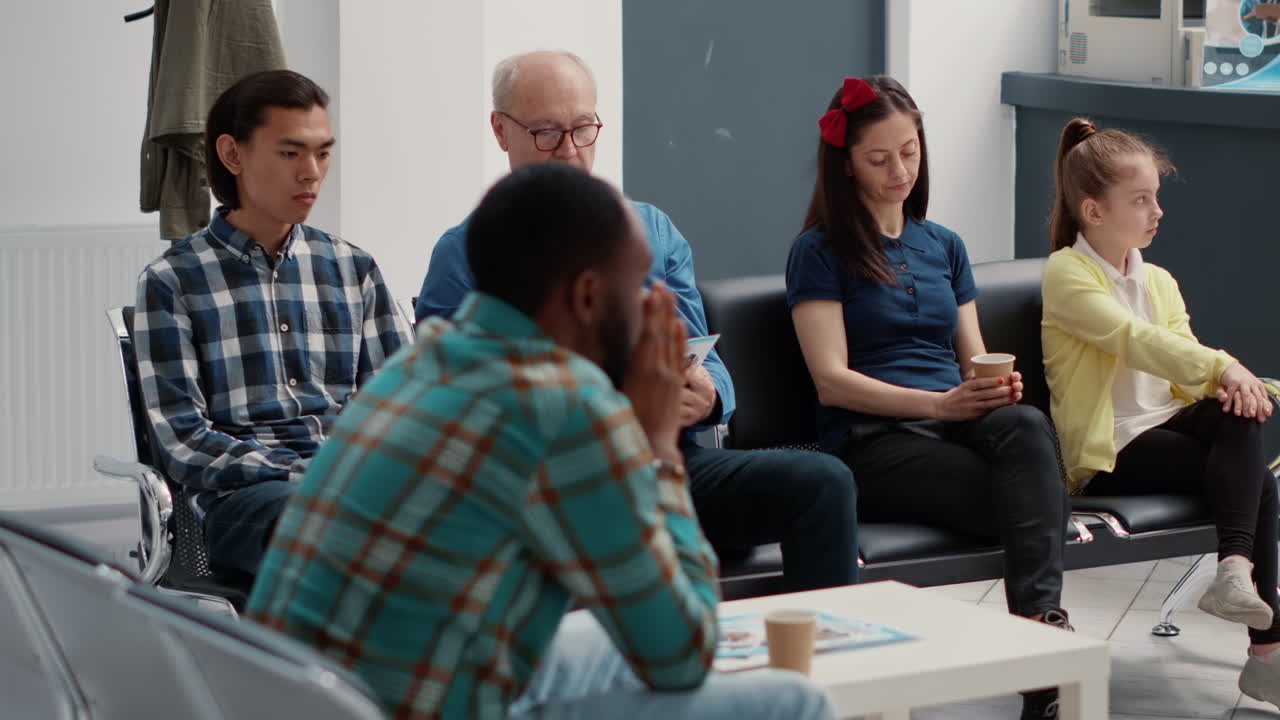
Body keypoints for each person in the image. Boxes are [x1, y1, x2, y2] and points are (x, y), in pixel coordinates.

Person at [248, 164, 836, 720]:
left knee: (606, 651)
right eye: (638, 285)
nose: (656, 310)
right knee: (793, 701)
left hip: (305, 697)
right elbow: (684, 653)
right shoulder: (565, 404)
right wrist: (658, 444)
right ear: (587, 296)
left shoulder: (421, 361)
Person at [414, 50, 859, 592]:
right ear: (501, 131)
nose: (571, 153)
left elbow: (707, 358)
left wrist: (708, 394)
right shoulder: (466, 253)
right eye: (548, 133)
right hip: (550, 479)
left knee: (822, 481)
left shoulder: (651, 231)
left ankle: (837, 663)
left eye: (583, 129)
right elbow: (450, 410)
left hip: (667, 459)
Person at [785, 76, 1073, 720]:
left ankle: (1042, 635)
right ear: (846, 164)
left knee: (1025, 425)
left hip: (953, 424)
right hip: (872, 441)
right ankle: (1045, 668)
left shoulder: (943, 245)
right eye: (879, 158)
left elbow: (970, 354)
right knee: (1031, 496)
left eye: (910, 152)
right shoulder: (818, 253)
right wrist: (939, 406)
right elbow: (831, 380)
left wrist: (991, 384)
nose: (899, 171)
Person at [133, 70, 411, 584]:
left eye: (323, 152)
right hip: (249, 500)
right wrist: (304, 472)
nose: (312, 173)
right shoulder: (172, 281)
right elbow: (183, 440)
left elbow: (400, 410)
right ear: (232, 154)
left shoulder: (354, 269)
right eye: (290, 153)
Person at [1041, 117, 1280, 707]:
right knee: (1264, 488)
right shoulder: (1067, 275)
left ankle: (1234, 577)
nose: (1157, 211)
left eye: (1157, 197)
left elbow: (1183, 360)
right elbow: (1133, 339)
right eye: (1141, 199)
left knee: (1242, 415)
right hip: (1109, 451)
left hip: (1164, 429)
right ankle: (1266, 650)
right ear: (1094, 211)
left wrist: (1230, 386)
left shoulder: (1160, 281)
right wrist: (1226, 368)